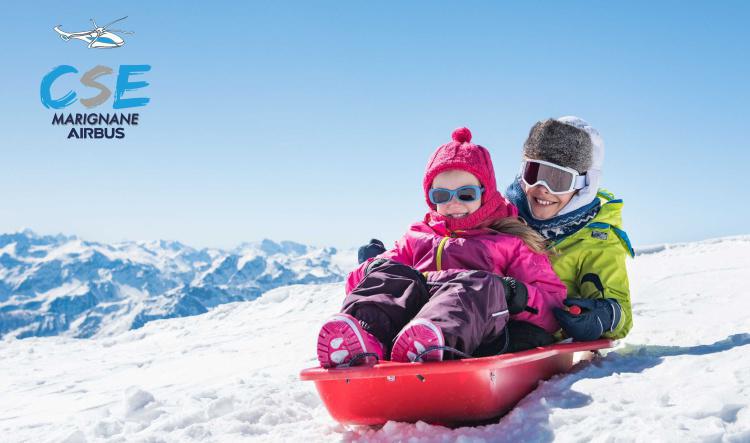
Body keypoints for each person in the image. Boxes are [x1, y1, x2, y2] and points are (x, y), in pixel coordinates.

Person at [316, 128, 567, 368]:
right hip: (406, 325)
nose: (453, 203)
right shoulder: (417, 237)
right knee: (392, 273)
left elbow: (552, 306)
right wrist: (372, 267)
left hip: (477, 334)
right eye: (441, 196)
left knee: (479, 285)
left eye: (466, 194)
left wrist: (515, 295)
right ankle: (363, 337)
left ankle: (430, 343)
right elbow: (365, 285)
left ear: (485, 193)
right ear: (430, 199)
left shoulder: (509, 243)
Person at [504, 116, 634, 341]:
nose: (542, 188)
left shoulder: (596, 239)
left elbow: (620, 311)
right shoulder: (502, 219)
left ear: (583, 187)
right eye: (534, 173)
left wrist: (602, 315)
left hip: (537, 334)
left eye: (558, 180)